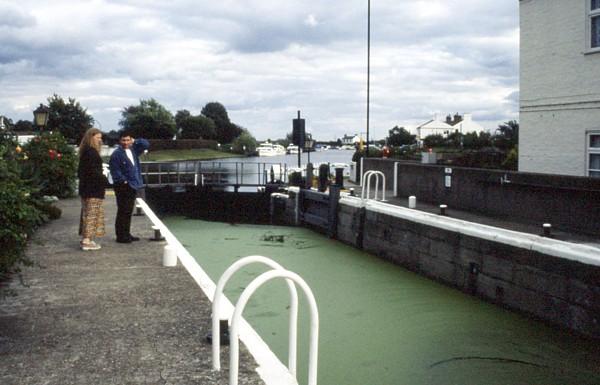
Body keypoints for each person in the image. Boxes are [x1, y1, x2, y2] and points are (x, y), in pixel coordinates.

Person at [109, 131, 150, 243]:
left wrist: (135, 141)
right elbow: (115, 172)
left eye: (128, 140)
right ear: (119, 141)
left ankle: (127, 233)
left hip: (133, 185)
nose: (126, 142)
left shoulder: (134, 150)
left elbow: (146, 144)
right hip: (123, 186)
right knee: (122, 211)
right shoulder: (116, 154)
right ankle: (121, 236)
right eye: (123, 140)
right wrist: (125, 182)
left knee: (128, 211)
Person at [78, 128, 107, 251]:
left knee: (87, 214)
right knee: (92, 215)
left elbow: (81, 172)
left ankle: (86, 239)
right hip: (93, 189)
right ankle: (86, 241)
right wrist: (106, 181)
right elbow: (94, 172)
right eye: (98, 138)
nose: (100, 140)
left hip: (86, 188)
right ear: (91, 137)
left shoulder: (85, 152)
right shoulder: (92, 153)